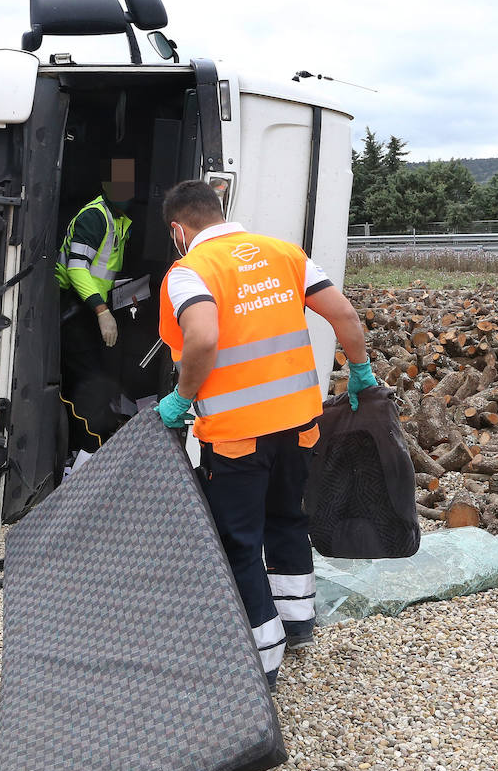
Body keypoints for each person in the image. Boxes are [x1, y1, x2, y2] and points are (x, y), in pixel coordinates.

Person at [154, 179, 377, 687]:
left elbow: (204, 337)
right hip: (300, 425)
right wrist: (360, 371)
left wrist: (182, 399)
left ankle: (260, 659)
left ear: (178, 229)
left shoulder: (191, 271)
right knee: (287, 520)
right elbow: (342, 312)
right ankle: (297, 621)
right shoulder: (286, 254)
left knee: (239, 539)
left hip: (237, 436)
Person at [54, 158, 135, 453]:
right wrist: (102, 311)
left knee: (97, 376)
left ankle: (95, 440)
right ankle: (91, 449)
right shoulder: (95, 217)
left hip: (88, 307)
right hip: (74, 308)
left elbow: (104, 270)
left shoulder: (119, 220)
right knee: (88, 381)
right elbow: (77, 268)